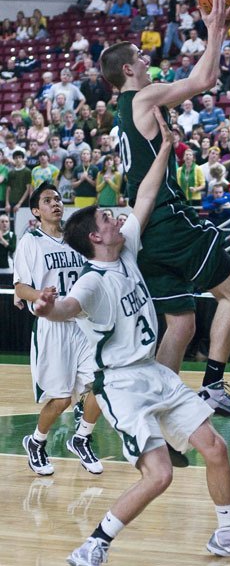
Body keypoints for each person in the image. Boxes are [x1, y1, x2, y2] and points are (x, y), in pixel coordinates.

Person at [34, 107, 230, 566]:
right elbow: (67, 308)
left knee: (215, 448)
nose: (117, 220)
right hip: (121, 384)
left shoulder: (128, 251)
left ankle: (228, 535)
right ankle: (94, 543)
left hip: (153, 373)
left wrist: (164, 150)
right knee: (159, 475)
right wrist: (48, 308)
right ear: (95, 239)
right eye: (107, 218)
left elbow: (145, 195)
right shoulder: (91, 281)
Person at [99, 0, 230, 417]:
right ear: (128, 69)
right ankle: (214, 386)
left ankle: (155, 404)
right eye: (141, 58)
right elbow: (203, 81)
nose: (148, 61)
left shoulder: (121, 112)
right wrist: (215, 31)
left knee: (181, 324)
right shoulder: (143, 99)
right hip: (168, 218)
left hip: (144, 228)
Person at [13, 182, 102, 477]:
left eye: (59, 199)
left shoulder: (77, 239)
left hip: (83, 324)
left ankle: (82, 438)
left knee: (100, 387)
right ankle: (36, 442)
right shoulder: (31, 242)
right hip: (53, 326)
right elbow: (21, 286)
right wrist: (38, 296)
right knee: (62, 399)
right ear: (36, 211)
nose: (56, 204)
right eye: (48, 200)